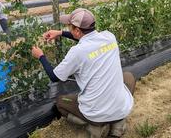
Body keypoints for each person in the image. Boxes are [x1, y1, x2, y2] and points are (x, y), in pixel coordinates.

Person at [31, 8, 136, 138]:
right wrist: (60, 33)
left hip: (96, 113)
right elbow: (87, 39)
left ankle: (94, 127)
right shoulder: (109, 37)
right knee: (128, 77)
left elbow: (54, 77)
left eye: (70, 26)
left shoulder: (77, 52)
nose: (68, 28)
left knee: (60, 102)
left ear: (77, 30)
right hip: (120, 108)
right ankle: (117, 125)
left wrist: (40, 56)